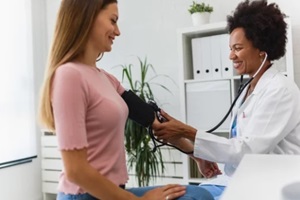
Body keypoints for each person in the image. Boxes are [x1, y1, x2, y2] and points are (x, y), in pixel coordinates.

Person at [38, 0, 214, 199]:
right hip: (84, 195)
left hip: (113, 192)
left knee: (197, 195)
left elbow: (153, 121)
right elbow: (76, 171)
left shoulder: (105, 78)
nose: (118, 31)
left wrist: (195, 152)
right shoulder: (68, 75)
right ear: (86, 18)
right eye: (113, 21)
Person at [152, 0, 300, 199]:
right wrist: (197, 153)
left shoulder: (280, 90)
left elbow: (247, 151)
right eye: (230, 48)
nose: (231, 55)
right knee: (179, 194)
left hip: (269, 185)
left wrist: (187, 131)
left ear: (261, 50)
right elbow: (236, 151)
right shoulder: (248, 89)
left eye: (237, 48)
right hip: (239, 180)